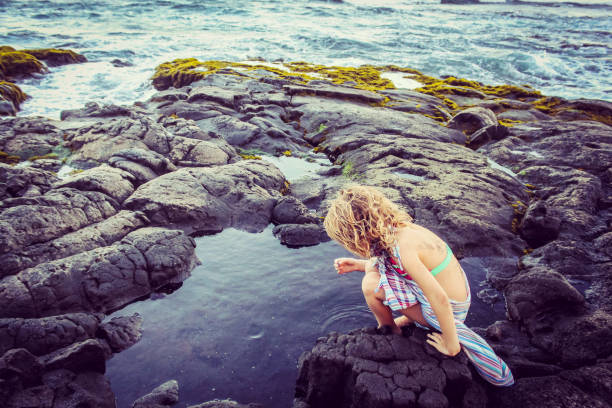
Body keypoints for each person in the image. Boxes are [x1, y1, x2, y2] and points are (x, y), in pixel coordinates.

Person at [323, 184, 514, 386]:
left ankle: (389, 329)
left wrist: (451, 343)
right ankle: (409, 319)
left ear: (357, 235)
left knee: (370, 285)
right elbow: (391, 264)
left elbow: (438, 298)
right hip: (457, 294)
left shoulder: (404, 250)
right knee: (372, 269)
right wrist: (361, 265)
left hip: (446, 308)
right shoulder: (401, 229)